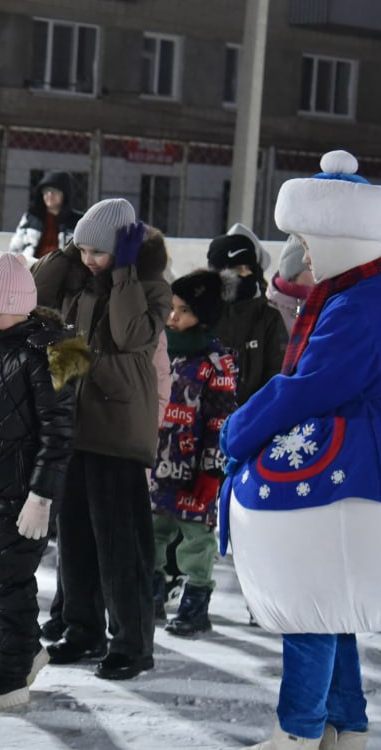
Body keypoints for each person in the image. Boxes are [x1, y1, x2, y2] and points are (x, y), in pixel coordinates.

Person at [218, 151, 381, 749]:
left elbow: (313, 385)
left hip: (361, 458)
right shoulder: (362, 294)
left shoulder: (363, 303)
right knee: (329, 604)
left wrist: (241, 430)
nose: (303, 252)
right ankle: (346, 723)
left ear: (341, 236)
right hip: (369, 447)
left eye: (307, 239)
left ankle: (299, 729)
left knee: (309, 596)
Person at [32, 198, 170, 682]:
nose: (89, 259)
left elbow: (130, 334)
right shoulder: (81, 282)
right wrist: (67, 255)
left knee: (121, 547)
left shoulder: (151, 287)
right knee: (75, 540)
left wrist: (125, 273)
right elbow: (35, 297)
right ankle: (82, 627)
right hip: (77, 425)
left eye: (98, 251)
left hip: (118, 430)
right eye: (83, 248)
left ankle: (132, 642)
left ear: (125, 250)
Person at [0, 251, 86, 712]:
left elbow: (59, 433)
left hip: (23, 494)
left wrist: (42, 494)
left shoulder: (47, 354)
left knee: (6, 582)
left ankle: (10, 677)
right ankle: (28, 648)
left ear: (22, 305)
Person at [149, 270, 237, 637]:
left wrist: (211, 473)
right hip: (157, 462)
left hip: (195, 469)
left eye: (183, 311)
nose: (173, 318)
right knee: (153, 532)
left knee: (196, 539)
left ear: (204, 314)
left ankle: (196, 603)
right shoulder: (160, 349)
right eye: (171, 309)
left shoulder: (217, 362)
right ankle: (149, 594)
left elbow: (221, 420)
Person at [207, 229, 288, 406]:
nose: (245, 274)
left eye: (249, 268)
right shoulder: (201, 314)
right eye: (236, 268)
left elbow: (276, 376)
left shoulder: (268, 318)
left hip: (252, 422)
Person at [8, 172, 83, 261]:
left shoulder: (77, 221)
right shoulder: (31, 217)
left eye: (55, 191)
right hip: (31, 267)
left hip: (62, 269)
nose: (50, 195)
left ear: (65, 194)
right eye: (46, 191)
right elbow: (15, 248)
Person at [266, 236, 315, 334]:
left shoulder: (321, 298)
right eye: (311, 267)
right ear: (296, 271)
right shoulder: (268, 306)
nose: (317, 273)